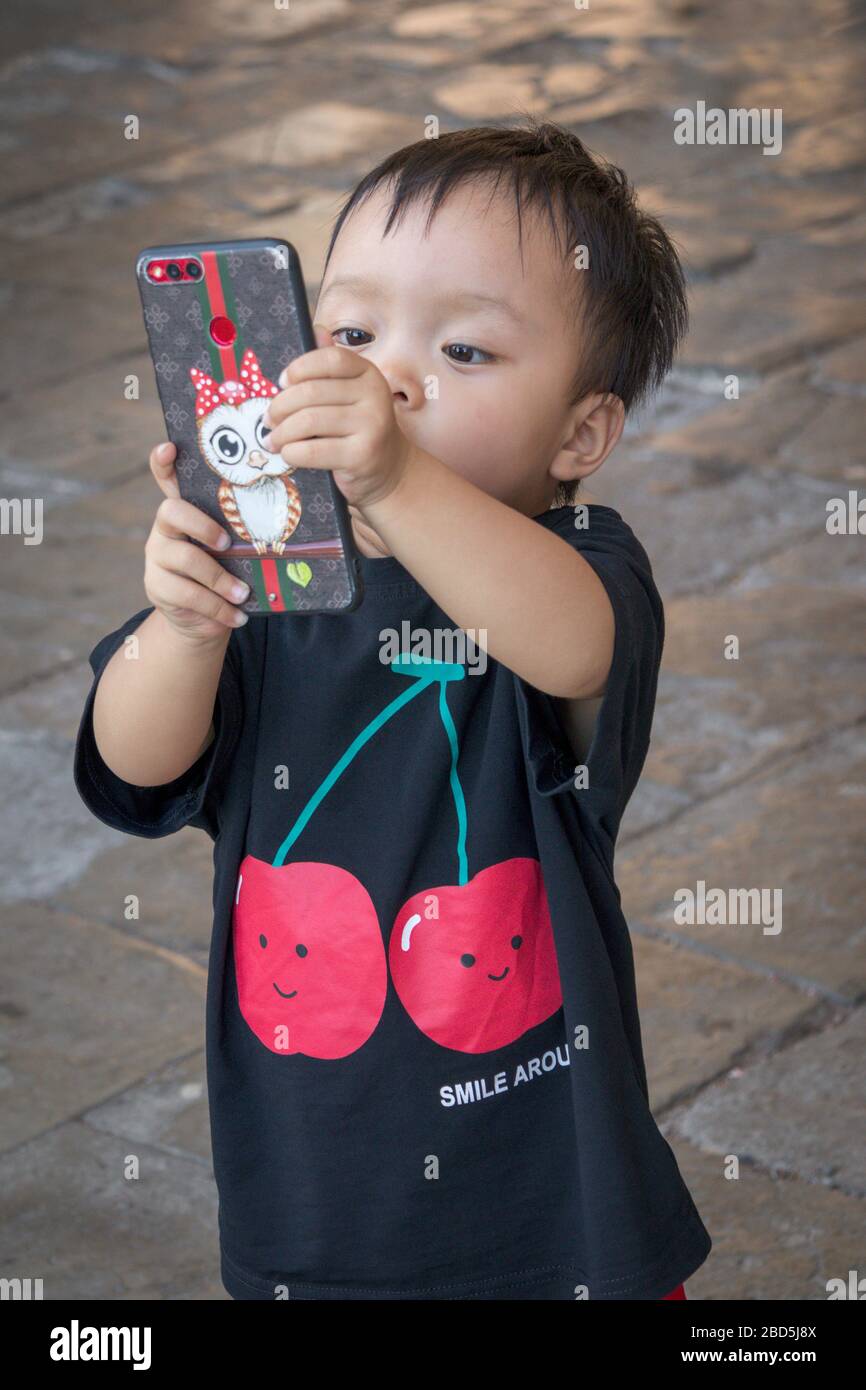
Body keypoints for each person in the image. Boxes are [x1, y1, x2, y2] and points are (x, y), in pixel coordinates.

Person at [74, 119, 711, 1300]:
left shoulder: (578, 562)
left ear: (581, 433)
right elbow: (132, 768)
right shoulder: (271, 580)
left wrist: (397, 482)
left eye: (463, 350)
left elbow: (572, 648)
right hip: (314, 1212)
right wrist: (183, 623)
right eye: (352, 333)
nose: (388, 377)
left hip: (553, 1211)